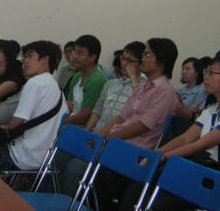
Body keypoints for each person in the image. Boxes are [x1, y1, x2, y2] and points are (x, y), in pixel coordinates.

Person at [119, 49, 220, 210]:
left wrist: (162, 157)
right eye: (206, 71)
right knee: (138, 188)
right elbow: (185, 138)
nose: (205, 77)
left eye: (211, 72)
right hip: (202, 176)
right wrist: (155, 154)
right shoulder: (212, 109)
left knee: (158, 202)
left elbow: (199, 145)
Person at [93, 37, 180, 209]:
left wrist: (109, 137)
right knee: (83, 155)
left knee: (82, 168)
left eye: (148, 55)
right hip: (119, 143)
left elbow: (141, 126)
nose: (143, 59)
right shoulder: (144, 86)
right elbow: (121, 117)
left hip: (135, 151)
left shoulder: (165, 91)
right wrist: (98, 135)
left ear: (161, 60)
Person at [57, 41, 146, 196]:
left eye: (130, 61)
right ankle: (51, 196)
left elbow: (138, 108)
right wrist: (87, 131)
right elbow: (97, 111)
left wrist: (133, 79)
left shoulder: (145, 88)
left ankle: (69, 203)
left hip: (118, 140)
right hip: (98, 134)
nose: (124, 63)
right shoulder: (111, 84)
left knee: (76, 166)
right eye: (123, 58)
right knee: (60, 152)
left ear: (141, 63)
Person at [0, 40, 68, 172]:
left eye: (30, 56)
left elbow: (15, 125)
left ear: (45, 59)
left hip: (22, 155)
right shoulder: (56, 86)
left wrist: (1, 127)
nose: (25, 61)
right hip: (44, 158)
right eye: (24, 58)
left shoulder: (36, 83)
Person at [65, 35, 107, 126]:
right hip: (71, 124)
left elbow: (85, 117)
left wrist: (60, 122)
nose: (75, 56)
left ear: (93, 57)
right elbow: (69, 105)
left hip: (84, 129)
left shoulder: (97, 80)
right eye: (75, 52)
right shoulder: (77, 76)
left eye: (80, 53)